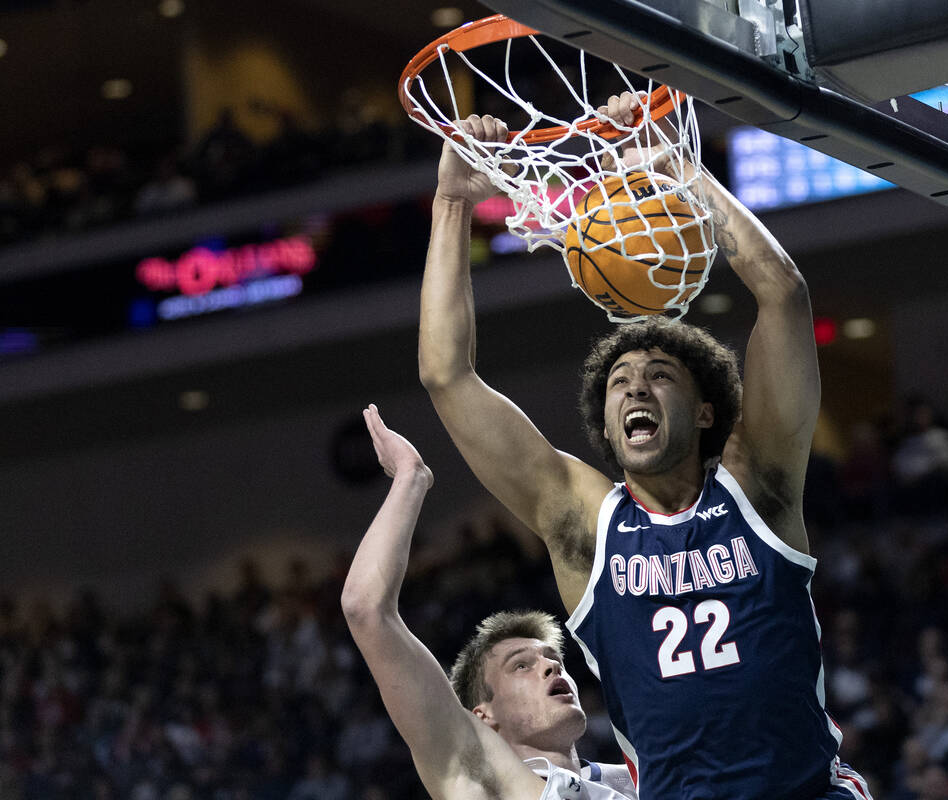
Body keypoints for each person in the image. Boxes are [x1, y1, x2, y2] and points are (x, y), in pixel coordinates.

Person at [418, 92, 871, 799]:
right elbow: (446, 375)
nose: (636, 389)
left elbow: (782, 294)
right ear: (605, 425)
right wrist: (451, 205)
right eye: (620, 382)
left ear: (705, 411)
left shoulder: (759, 488)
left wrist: (686, 172)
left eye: (660, 377)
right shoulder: (588, 527)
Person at [341, 404, 637, 800]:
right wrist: (410, 478)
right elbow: (365, 609)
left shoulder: (639, 776)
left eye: (554, 659)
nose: (550, 666)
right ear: (484, 715)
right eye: (522, 666)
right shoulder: (481, 776)